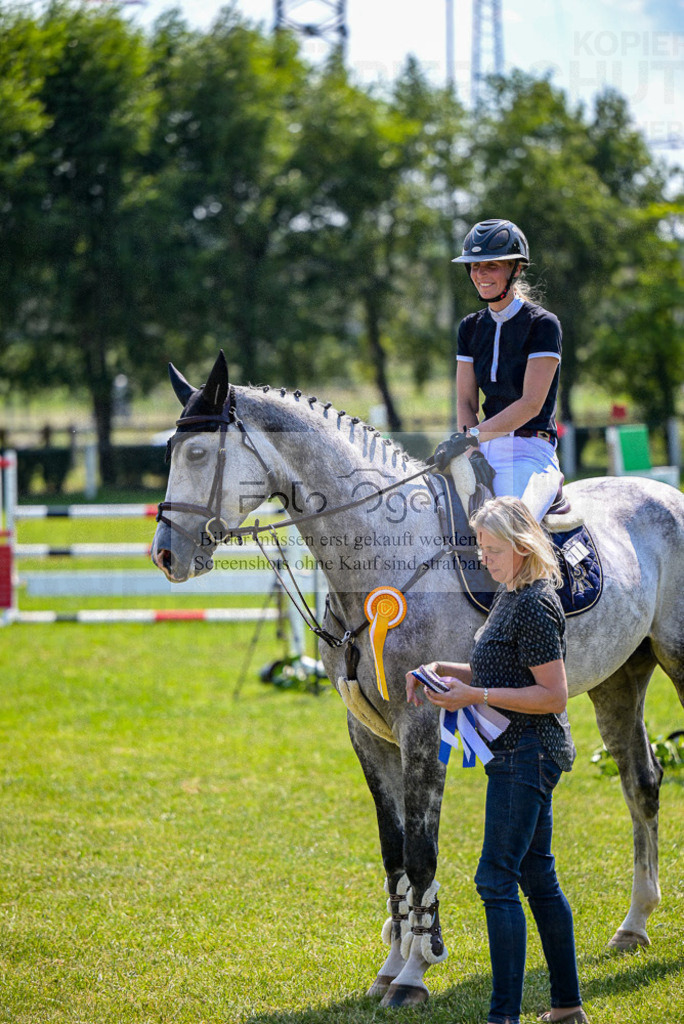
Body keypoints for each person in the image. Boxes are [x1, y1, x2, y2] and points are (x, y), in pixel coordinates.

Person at [406, 496, 588, 1024]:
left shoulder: (533, 603)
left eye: (491, 548)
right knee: (537, 877)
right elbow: (505, 668)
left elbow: (553, 694)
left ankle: (503, 1016)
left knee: (495, 879)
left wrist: (476, 697)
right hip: (519, 752)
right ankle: (567, 1008)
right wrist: (449, 671)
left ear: (522, 545)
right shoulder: (513, 594)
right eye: (480, 547)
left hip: (527, 754)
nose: (483, 558)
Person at [433, 218, 564, 522]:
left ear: (516, 269)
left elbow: (531, 404)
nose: (480, 274)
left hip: (530, 452)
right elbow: (466, 402)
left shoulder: (543, 325)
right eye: (474, 267)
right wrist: (471, 450)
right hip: (481, 449)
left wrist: (473, 437)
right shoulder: (469, 327)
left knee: (508, 529)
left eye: (490, 265)